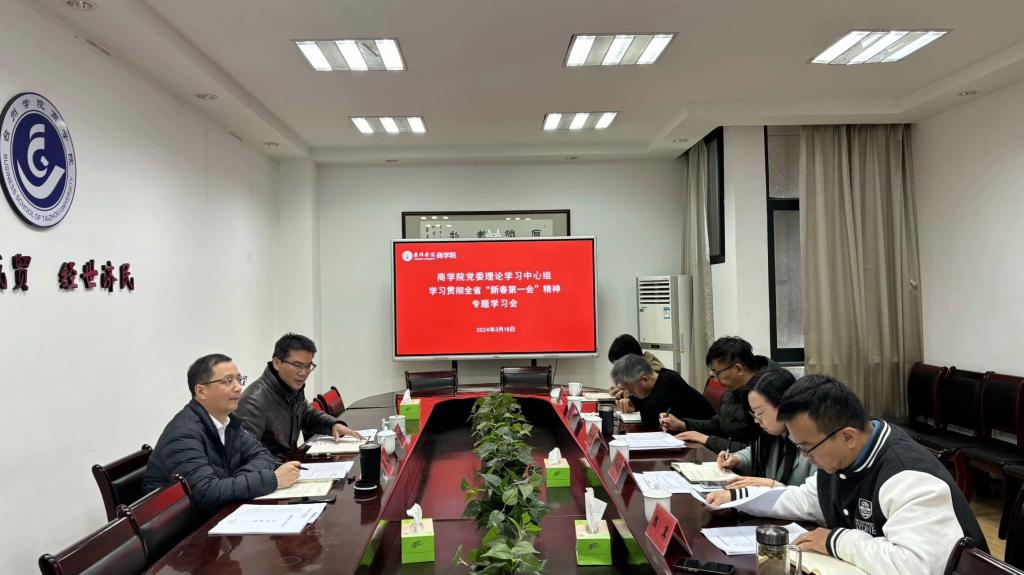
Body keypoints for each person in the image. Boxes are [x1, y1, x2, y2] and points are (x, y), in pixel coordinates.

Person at [709, 375, 986, 575]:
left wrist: (835, 541)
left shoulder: (907, 475)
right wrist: (736, 498)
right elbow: (804, 499)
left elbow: (916, 566)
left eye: (807, 447)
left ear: (848, 436)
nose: (806, 457)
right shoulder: (841, 459)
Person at [144, 353, 301, 513]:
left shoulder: (229, 422)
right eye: (228, 381)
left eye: (239, 380)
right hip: (190, 525)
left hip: (220, 512)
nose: (238, 388)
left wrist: (234, 482)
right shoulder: (183, 434)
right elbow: (207, 492)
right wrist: (272, 480)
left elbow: (263, 455)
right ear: (201, 391)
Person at [236, 333, 362, 459]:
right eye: (297, 365)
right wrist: (279, 468)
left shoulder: (291, 387)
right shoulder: (253, 401)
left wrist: (333, 425)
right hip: (276, 469)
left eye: (308, 366)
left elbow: (308, 415)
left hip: (291, 462)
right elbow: (244, 457)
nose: (304, 373)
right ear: (277, 363)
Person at [706, 367, 816, 501]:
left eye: (760, 413)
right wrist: (737, 458)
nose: (756, 420)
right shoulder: (774, 435)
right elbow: (755, 451)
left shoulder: (814, 444)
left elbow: (813, 500)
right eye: (753, 413)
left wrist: (772, 486)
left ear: (784, 405)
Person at [659, 336, 765, 453]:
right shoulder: (735, 387)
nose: (716, 379)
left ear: (738, 369)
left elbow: (759, 453)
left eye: (717, 373)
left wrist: (706, 440)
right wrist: (683, 425)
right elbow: (719, 424)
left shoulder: (765, 395)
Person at [611, 354, 714, 427]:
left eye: (631, 390)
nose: (630, 394)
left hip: (706, 435)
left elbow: (649, 418)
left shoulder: (669, 381)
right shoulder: (660, 381)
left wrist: (636, 403)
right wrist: (633, 403)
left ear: (645, 379)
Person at [606, 334, 663, 400]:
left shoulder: (653, 371)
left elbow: (644, 395)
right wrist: (620, 388)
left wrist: (626, 392)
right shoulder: (639, 366)